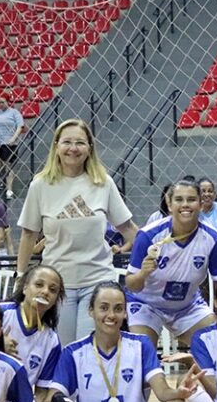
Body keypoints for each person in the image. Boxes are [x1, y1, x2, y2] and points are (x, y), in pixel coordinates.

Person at [45, 281, 205, 402]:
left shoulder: (141, 344)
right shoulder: (73, 351)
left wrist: (178, 392)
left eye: (118, 309)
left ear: (126, 312)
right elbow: (51, 397)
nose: (111, 315)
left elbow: (162, 392)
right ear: (91, 311)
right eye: (104, 308)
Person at [16, 119, 138, 345]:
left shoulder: (103, 183)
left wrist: (154, 250)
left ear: (89, 148)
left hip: (97, 279)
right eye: (67, 142)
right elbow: (28, 235)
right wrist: (20, 276)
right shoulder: (40, 185)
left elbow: (127, 228)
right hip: (57, 284)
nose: (73, 148)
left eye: (80, 142)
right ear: (56, 146)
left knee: (87, 349)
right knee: (62, 348)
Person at [125, 179, 217, 350]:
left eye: (191, 199)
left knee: (216, 345)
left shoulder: (213, 239)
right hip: (146, 304)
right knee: (141, 352)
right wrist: (143, 274)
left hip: (187, 306)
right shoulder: (148, 235)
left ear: (201, 204)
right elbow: (131, 285)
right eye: (179, 200)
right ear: (169, 204)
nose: (185, 205)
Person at [0, 265, 64, 402]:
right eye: (39, 284)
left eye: (53, 290)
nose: (45, 291)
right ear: (25, 288)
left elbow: (42, 392)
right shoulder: (0, 313)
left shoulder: (51, 340)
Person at [0, 96, 24, 200]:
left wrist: (13, 138)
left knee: (8, 165)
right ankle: (2, 180)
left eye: (2, 102)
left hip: (8, 143)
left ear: (8, 102)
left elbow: (20, 126)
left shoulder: (14, 112)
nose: (0, 104)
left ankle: (9, 190)